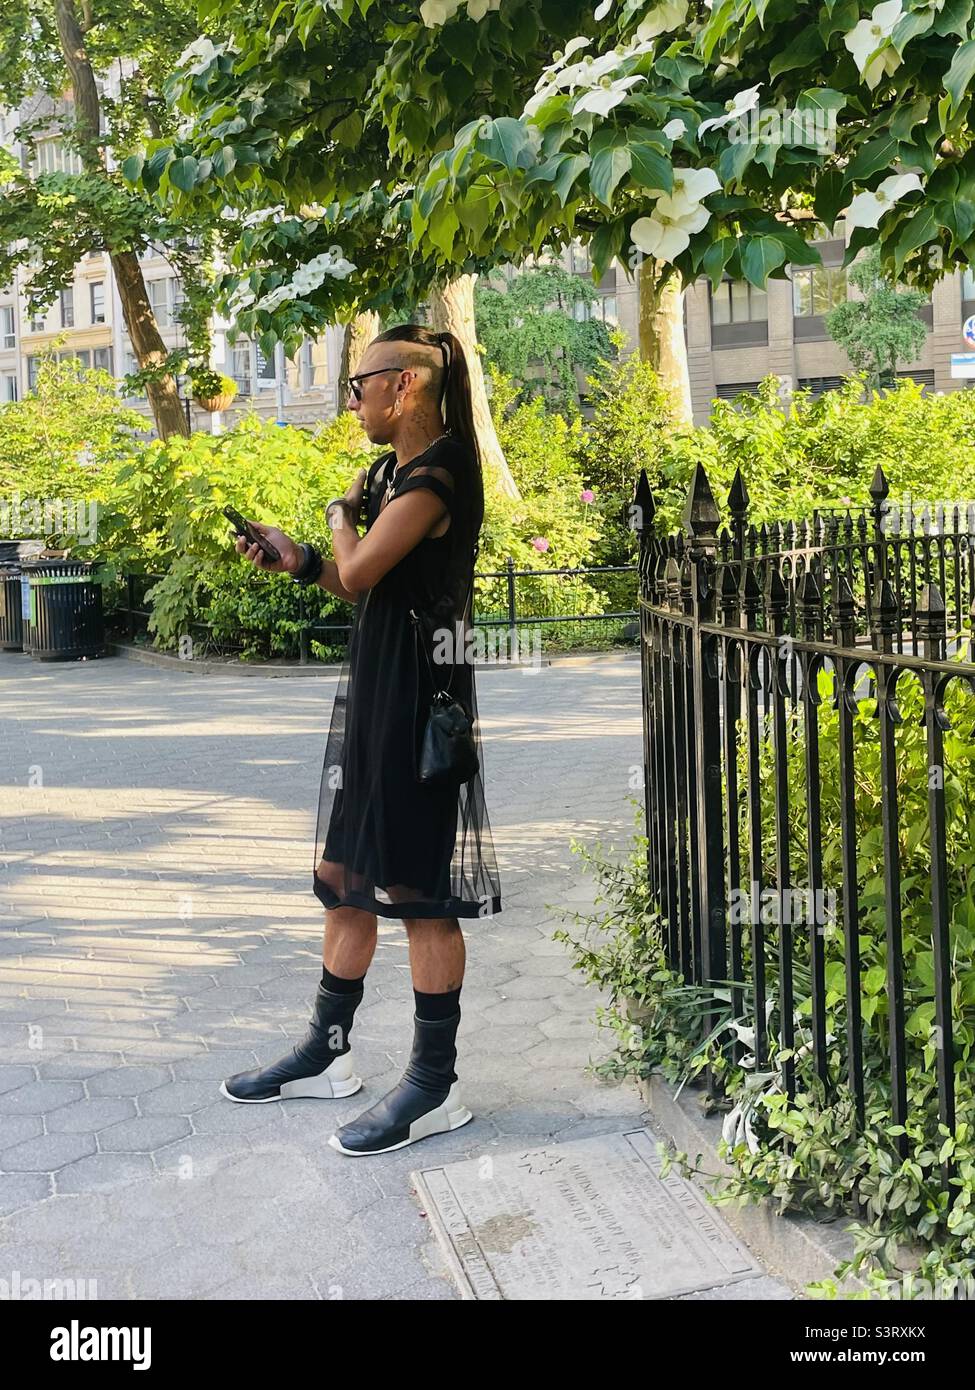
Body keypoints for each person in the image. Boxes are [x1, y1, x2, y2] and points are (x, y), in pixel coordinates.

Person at [219, 324, 502, 1156]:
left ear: (403, 386)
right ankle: (325, 1054)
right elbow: (350, 579)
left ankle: (432, 1085)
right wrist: (298, 557)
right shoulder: (389, 471)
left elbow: (364, 569)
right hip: (378, 692)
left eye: (357, 386)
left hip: (424, 705)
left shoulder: (439, 471)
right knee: (343, 876)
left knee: (418, 895)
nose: (352, 402)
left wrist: (341, 519)